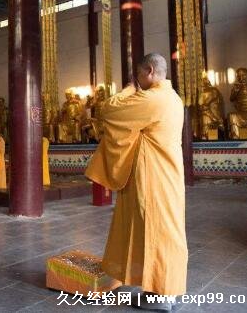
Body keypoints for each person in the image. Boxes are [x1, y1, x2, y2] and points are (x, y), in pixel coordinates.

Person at [85, 53, 187, 311]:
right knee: (151, 230)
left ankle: (162, 295)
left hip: (154, 176)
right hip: (166, 174)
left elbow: (108, 110)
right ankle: (155, 287)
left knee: (158, 231)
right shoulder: (173, 98)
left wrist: (127, 90)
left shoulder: (153, 98)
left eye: (140, 77)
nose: (139, 83)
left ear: (149, 71)